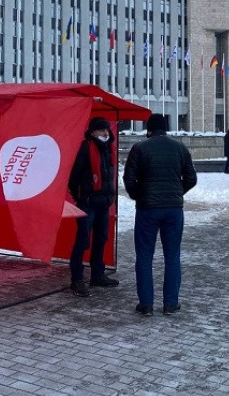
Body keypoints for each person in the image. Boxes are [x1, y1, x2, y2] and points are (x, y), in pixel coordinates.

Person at [123, 113, 197, 316]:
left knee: (145, 256)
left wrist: (141, 195)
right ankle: (171, 303)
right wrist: (175, 192)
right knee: (172, 256)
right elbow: (191, 178)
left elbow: (129, 179)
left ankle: (146, 304)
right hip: (173, 210)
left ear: (149, 129)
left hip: (147, 210)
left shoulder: (139, 148)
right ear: (165, 128)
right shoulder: (180, 148)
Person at [68, 117, 119, 297]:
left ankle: (97, 274)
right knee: (83, 241)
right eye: (101, 130)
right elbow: (73, 177)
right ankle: (77, 279)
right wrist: (80, 196)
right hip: (88, 204)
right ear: (92, 132)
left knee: (101, 239)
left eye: (106, 129)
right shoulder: (85, 147)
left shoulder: (108, 149)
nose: (106, 133)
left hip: (103, 203)